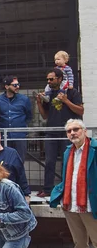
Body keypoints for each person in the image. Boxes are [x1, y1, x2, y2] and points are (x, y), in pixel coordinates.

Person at [50, 119, 97, 248]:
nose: (72, 133)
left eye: (76, 129)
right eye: (69, 131)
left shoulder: (95, 149)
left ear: (85, 131)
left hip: (91, 206)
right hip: (72, 205)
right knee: (80, 245)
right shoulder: (68, 151)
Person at [37, 68, 84, 197]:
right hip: (51, 131)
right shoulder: (49, 94)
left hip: (68, 133)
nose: (49, 81)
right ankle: (48, 189)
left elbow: (81, 111)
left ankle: (66, 189)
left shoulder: (72, 92)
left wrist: (66, 101)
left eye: (51, 79)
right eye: (47, 79)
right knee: (49, 161)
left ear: (59, 79)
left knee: (67, 161)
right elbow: (45, 116)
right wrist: (39, 103)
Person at [0, 76, 32, 163]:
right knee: (3, 161)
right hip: (4, 135)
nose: (17, 87)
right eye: (14, 85)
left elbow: (29, 116)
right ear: (6, 86)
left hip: (19, 136)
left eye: (18, 84)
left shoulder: (24, 99)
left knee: (20, 161)